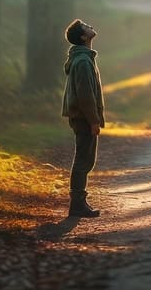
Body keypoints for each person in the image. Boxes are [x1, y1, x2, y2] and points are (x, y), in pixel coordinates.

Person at [61, 18, 104, 217]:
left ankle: (78, 202)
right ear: (83, 36)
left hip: (83, 116)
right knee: (83, 159)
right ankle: (77, 204)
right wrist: (94, 120)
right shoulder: (82, 61)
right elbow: (85, 95)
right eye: (87, 26)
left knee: (86, 159)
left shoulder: (84, 58)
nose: (91, 26)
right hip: (83, 117)